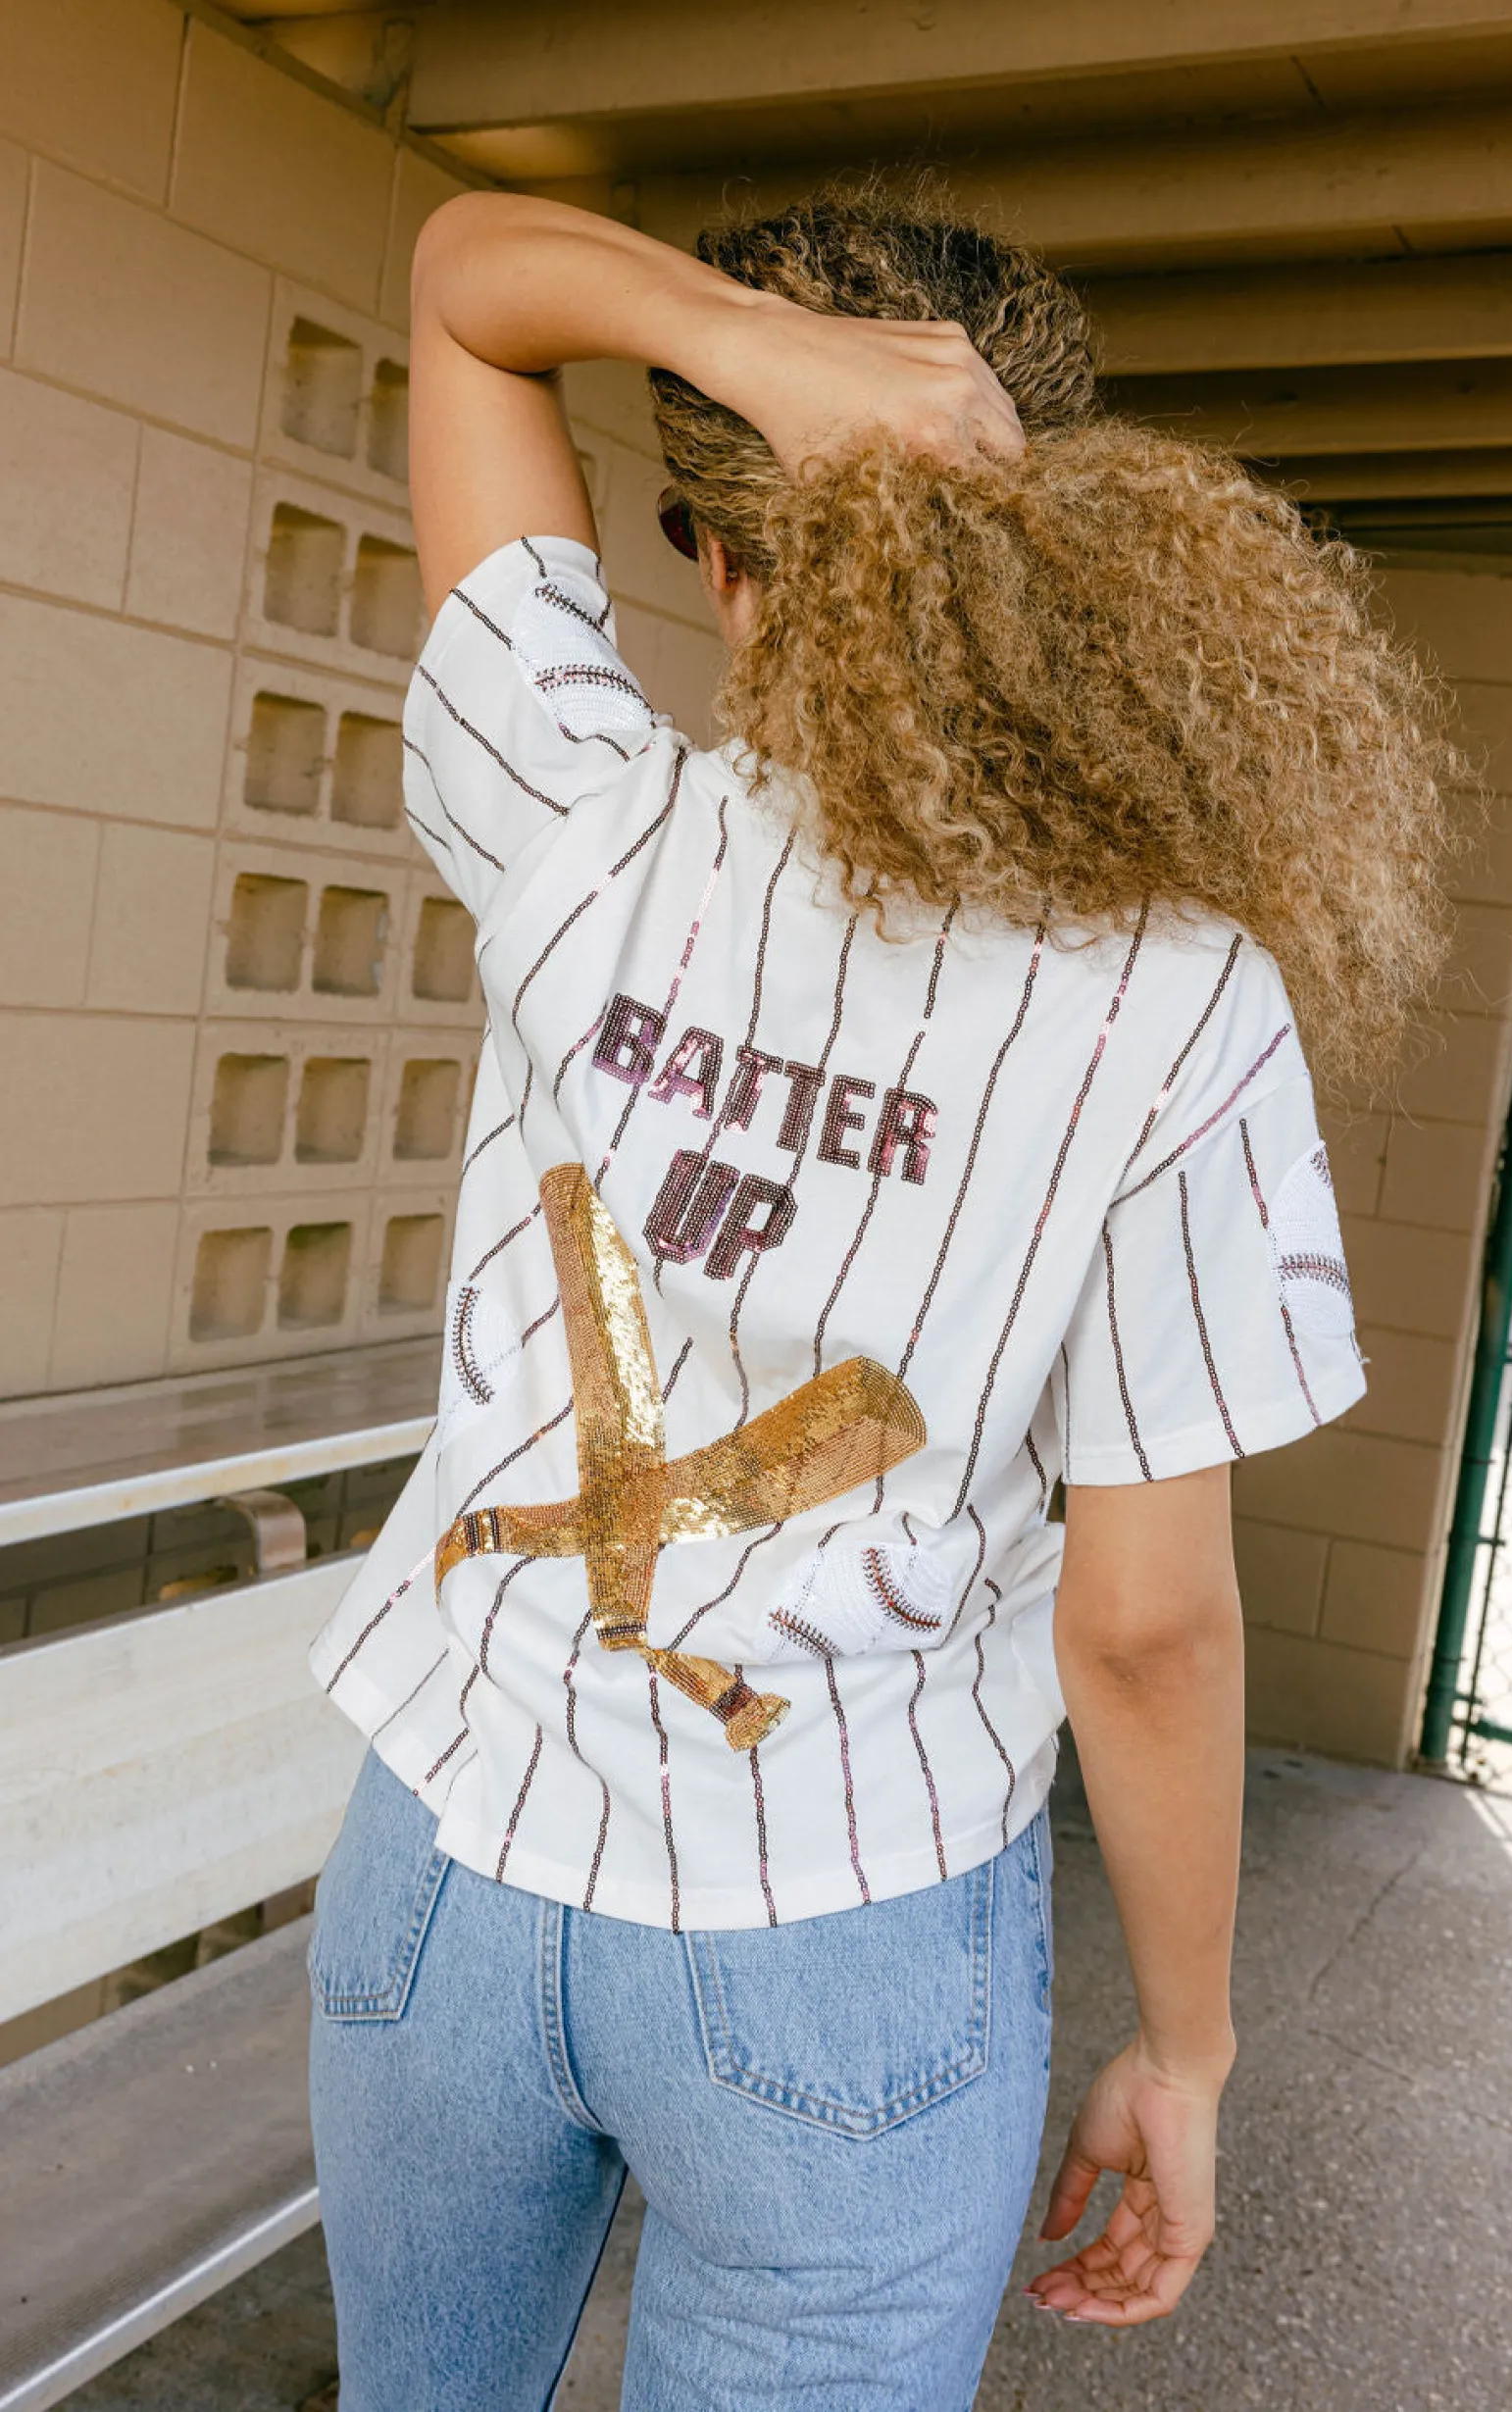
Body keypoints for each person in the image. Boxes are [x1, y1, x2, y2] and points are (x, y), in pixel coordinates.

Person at [305, 184, 1451, 2411]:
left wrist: (752, 350)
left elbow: (464, 282)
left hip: (444, 1863)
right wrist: (1186, 2049)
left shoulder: (570, 808)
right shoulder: (1172, 1003)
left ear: (716, 560)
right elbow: (1146, 1628)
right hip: (838, 1932)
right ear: (1053, 526)